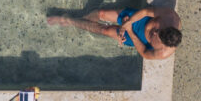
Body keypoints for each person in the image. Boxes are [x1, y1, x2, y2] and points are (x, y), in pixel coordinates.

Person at [47, 6, 182, 60]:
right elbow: (146, 12)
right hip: (139, 21)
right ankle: (81, 18)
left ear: (163, 45)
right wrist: (130, 22)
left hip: (136, 37)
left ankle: (70, 21)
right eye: (157, 30)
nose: (154, 33)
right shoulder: (170, 16)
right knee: (102, 14)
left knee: (104, 30)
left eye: (156, 37)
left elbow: (145, 53)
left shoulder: (162, 53)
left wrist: (129, 32)